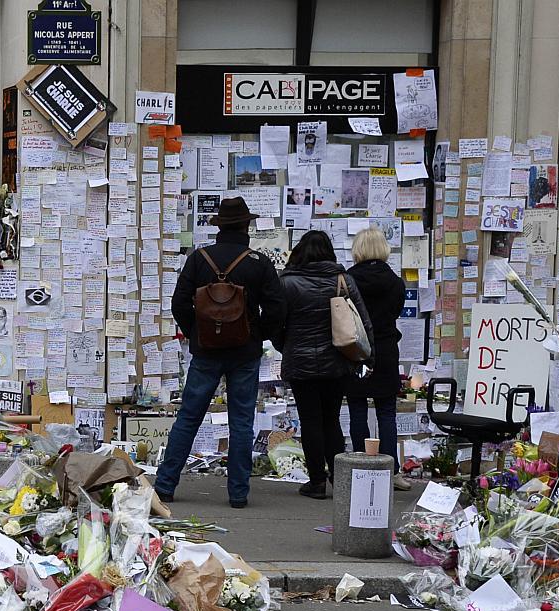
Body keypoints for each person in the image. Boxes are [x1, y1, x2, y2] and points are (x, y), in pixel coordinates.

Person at [158, 196, 285, 508]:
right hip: (245, 352)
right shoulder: (259, 262)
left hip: (206, 352)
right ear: (246, 226)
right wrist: (258, 335)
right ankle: (238, 494)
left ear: (219, 227)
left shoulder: (199, 259)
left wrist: (198, 334)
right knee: (241, 421)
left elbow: (178, 304)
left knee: (188, 417)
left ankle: (164, 485)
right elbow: (278, 308)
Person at [278, 230, 371, 499]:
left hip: (300, 361)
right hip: (337, 361)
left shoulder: (288, 283)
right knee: (331, 420)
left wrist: (285, 345)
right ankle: (340, 480)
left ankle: (317, 480)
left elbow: (276, 323)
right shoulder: (344, 280)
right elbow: (362, 323)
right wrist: (368, 357)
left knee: (310, 421)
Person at [343, 228, 412, 491]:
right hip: (385, 349)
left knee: (357, 409)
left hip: (357, 350)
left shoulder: (348, 280)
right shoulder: (395, 282)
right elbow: (394, 312)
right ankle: (391, 471)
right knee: (386, 412)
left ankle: (359, 467)